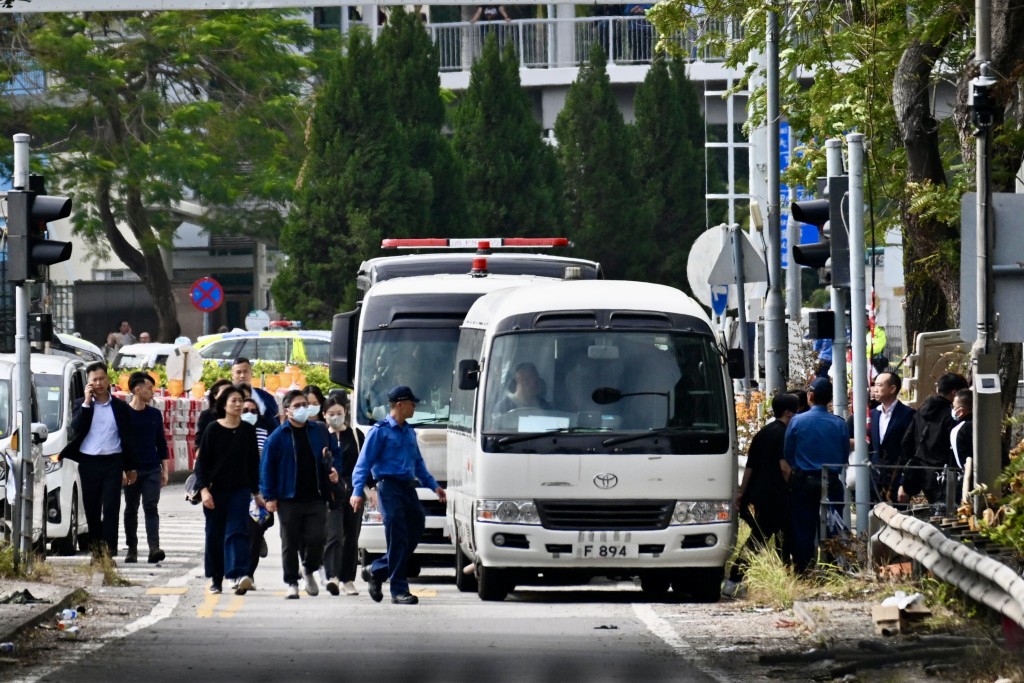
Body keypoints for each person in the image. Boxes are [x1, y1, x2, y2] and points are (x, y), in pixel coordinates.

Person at [351, 385, 446, 605]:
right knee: (398, 537)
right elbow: (363, 463)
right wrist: (357, 492)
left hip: (408, 488)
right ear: (400, 405)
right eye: (412, 404)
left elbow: (418, 463)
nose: (415, 407)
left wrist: (434, 486)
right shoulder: (379, 431)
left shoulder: (409, 432)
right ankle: (399, 590)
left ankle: (377, 569)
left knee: (416, 527)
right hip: (388, 488)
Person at [261, 390, 340, 599]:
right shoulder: (277, 437)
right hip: (288, 498)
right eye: (297, 406)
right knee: (290, 541)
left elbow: (334, 453)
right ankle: (291, 583)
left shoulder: (319, 431)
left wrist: (334, 470)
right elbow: (267, 468)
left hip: (316, 495)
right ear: (287, 410)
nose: (303, 409)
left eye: (305, 404)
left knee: (317, 537)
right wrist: (269, 497)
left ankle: (308, 567)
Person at [59, 362, 139, 558]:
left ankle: (109, 552)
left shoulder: (119, 407)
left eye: (102, 379)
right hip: (89, 462)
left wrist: (131, 467)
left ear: (108, 379)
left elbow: (129, 438)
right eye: (94, 380)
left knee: (111, 509)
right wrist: (87, 402)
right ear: (88, 383)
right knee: (92, 509)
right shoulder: (82, 404)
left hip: (113, 462)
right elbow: (76, 428)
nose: (99, 383)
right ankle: (96, 552)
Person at [723, 393, 798, 598]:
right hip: (777, 495)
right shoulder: (783, 433)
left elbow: (750, 467)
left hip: (758, 495)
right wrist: (793, 486)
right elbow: (784, 467)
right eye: (796, 412)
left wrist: (742, 492)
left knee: (767, 537)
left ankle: (783, 577)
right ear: (788, 412)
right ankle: (735, 578)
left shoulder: (763, 433)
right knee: (764, 539)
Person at [195, 385, 262, 596]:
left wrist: (256, 492)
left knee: (238, 530)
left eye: (240, 400)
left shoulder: (248, 430)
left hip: (240, 490)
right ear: (223, 404)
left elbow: (253, 463)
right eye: (233, 400)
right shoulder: (213, 429)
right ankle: (216, 579)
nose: (238, 404)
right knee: (214, 534)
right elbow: (202, 464)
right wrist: (204, 490)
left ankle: (240, 574)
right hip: (215, 491)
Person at [783, 377, 848, 574]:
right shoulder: (839, 424)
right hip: (831, 481)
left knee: (803, 527)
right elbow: (844, 455)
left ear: (810, 395)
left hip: (804, 480)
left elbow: (788, 453)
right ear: (829, 399)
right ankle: (833, 568)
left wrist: (799, 467)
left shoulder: (797, 421)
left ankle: (804, 570)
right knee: (834, 523)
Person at [898, 372, 969, 508]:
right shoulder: (952, 416)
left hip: (921, 472)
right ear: (954, 393)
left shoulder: (921, 410)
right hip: (943, 474)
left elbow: (906, 442)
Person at [123, 372, 169, 564]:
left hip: (152, 468)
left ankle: (154, 548)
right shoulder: (124, 414)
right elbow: (120, 443)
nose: (152, 392)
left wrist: (165, 469)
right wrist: (123, 469)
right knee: (131, 508)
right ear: (137, 389)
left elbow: (161, 443)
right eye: (149, 388)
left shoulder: (154, 415)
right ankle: (132, 548)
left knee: (151, 506)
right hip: (131, 469)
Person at [323, 396, 367, 596]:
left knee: (351, 536)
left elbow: (365, 463)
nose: (336, 417)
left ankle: (347, 579)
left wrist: (370, 488)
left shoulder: (356, 435)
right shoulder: (321, 436)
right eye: (331, 414)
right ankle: (332, 576)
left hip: (354, 491)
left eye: (339, 413)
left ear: (345, 413)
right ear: (324, 415)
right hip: (331, 492)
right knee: (333, 534)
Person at [240, 395, 272, 587]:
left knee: (255, 531)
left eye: (253, 411)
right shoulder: (231, 431)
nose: (249, 414)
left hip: (260, 490)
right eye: (245, 411)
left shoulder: (265, 433)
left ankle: (248, 574)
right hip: (236, 489)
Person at [869, 370, 915, 503]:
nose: (875, 389)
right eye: (874, 385)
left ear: (892, 389)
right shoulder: (873, 414)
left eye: (879, 385)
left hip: (896, 479)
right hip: (874, 479)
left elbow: (911, 450)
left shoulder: (908, 414)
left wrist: (904, 483)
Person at [232, 357, 279, 433]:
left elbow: (274, 423)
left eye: (245, 372)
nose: (242, 375)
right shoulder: (226, 398)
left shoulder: (266, 398)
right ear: (232, 375)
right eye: (238, 372)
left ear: (251, 373)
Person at [195, 379, 234, 451]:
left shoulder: (237, 414)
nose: (227, 396)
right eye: (224, 392)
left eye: (230, 393)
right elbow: (200, 440)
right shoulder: (207, 414)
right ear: (215, 395)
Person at [950, 388, 973, 473]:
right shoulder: (988, 424)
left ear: (961, 411)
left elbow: (962, 462)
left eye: (953, 407)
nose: (952, 409)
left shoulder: (959, 430)